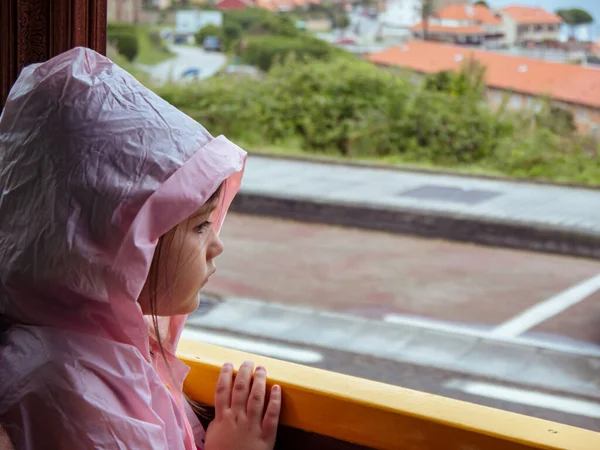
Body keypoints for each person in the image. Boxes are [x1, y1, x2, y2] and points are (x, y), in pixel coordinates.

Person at [0, 47, 281, 449]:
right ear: (113, 245)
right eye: (200, 226)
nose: (217, 245)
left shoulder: (95, 351)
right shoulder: (78, 393)